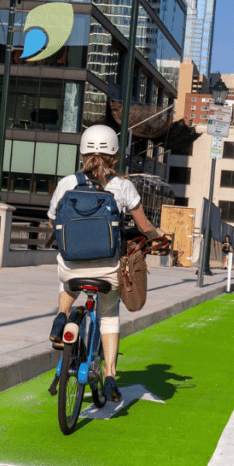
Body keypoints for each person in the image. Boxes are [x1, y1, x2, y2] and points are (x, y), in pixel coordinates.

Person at [47, 124, 163, 403]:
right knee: (108, 315)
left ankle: (62, 315)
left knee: (66, 276)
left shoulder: (67, 183)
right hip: (108, 270)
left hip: (72, 266)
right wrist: (157, 235)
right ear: (114, 155)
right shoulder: (123, 186)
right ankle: (110, 375)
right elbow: (144, 225)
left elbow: (52, 219)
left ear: (83, 153)